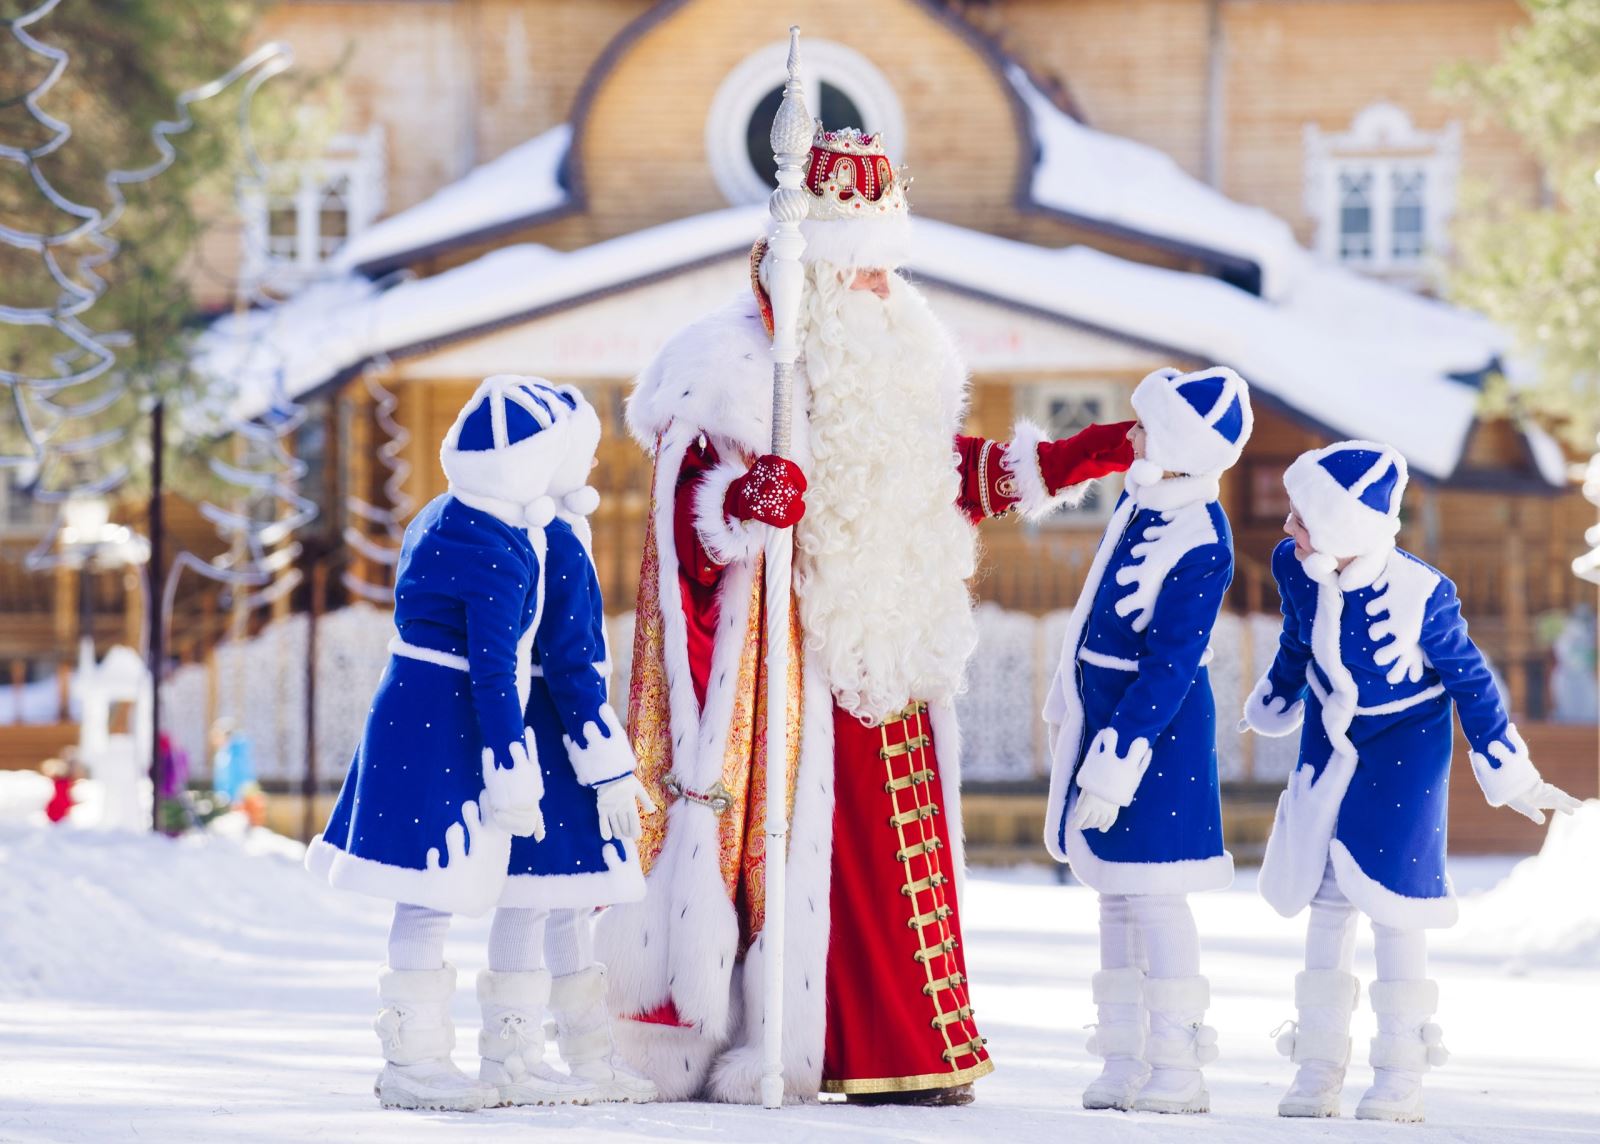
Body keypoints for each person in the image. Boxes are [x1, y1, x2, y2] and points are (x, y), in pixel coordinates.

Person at [596, 125, 1134, 1106]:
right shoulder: (737, 367)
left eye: (892, 267)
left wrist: (1082, 456)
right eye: (867, 270)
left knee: (899, 863)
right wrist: (745, 503)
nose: (888, 288)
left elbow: (937, 474)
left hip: (894, 646)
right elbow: (686, 532)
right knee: (836, 868)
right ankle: (839, 1045)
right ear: (822, 276)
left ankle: (916, 1046)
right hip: (801, 666)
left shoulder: (891, 363)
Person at [307, 376, 658, 1112]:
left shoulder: (461, 520)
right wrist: (514, 763)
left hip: (428, 714)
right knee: (433, 892)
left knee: (455, 892)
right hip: (448, 722)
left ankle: (478, 1056)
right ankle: (420, 1061)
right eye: (579, 451)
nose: (593, 464)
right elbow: (502, 664)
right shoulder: (503, 541)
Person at [1241, 439, 1582, 1123]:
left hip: (1405, 747)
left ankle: (1400, 1073)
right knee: (1325, 893)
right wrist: (1277, 694)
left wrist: (1509, 767)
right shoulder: (1295, 565)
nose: (1287, 526)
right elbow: (1299, 640)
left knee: (1396, 903)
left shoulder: (1424, 592)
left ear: (1343, 527)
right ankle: (1318, 1065)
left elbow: (1472, 683)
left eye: (1304, 517)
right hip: (1330, 737)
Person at [1042, 366, 1253, 1115]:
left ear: (1182, 449)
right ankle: (1123, 1057)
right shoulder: (1140, 501)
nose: (1132, 436)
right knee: (1112, 891)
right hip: (1104, 710)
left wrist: (1116, 759)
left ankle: (1177, 1065)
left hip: (1155, 731)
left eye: (1147, 428)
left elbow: (1171, 663)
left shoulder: (1205, 537)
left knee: (1157, 894)